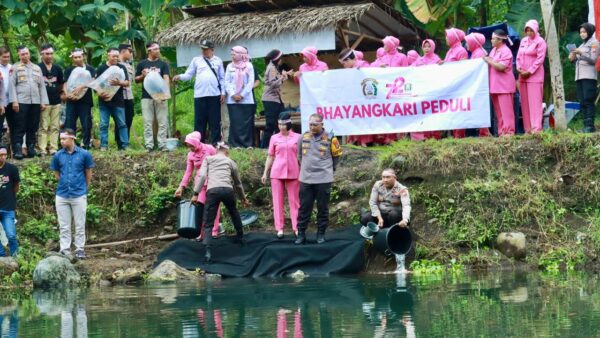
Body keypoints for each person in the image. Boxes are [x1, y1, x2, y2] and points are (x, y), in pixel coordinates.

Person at [192, 142, 249, 263]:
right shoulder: (230, 161)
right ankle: (240, 237)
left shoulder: (208, 159)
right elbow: (238, 183)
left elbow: (202, 176)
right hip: (228, 190)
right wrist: (243, 198)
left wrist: (195, 193)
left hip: (213, 191)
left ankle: (207, 251)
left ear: (216, 150)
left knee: (208, 221)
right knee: (234, 212)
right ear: (227, 151)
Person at [295, 113, 342, 245]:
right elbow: (299, 155)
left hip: (323, 178)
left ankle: (320, 234)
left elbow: (336, 157)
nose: (312, 127)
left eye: (315, 124)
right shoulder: (303, 137)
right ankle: (301, 234)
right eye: (310, 124)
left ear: (322, 124)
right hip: (305, 178)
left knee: (323, 207)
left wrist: (329, 169)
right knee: (304, 207)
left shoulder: (331, 138)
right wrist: (305, 168)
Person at [50, 129, 95, 259]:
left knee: (80, 224)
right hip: (62, 195)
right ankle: (65, 249)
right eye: (60, 139)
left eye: (64, 138)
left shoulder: (84, 154)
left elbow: (88, 173)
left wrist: (83, 188)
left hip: (79, 194)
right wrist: (65, 183)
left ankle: (80, 249)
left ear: (72, 138)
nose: (61, 141)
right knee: (64, 225)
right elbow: (57, 174)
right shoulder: (58, 155)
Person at [173, 39, 225, 144]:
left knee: (214, 121)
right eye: (202, 49)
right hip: (200, 95)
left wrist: (223, 92)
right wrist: (180, 76)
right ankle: (198, 143)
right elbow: (189, 74)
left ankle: (216, 143)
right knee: (199, 121)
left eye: (206, 49)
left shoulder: (218, 61)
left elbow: (222, 78)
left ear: (212, 50)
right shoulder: (196, 60)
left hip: (214, 95)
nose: (204, 51)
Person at [174, 131, 222, 239]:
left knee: (214, 206)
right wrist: (181, 186)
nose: (190, 148)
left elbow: (220, 161)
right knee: (200, 207)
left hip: (213, 181)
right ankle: (201, 232)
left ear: (196, 142)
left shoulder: (209, 149)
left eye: (191, 145)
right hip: (200, 184)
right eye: (188, 146)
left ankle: (214, 231)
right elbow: (188, 172)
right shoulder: (190, 155)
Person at [261, 112, 301, 239]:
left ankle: (297, 227)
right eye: (279, 124)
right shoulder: (274, 138)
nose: (281, 127)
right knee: (277, 201)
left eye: (284, 124)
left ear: (289, 123)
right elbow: (270, 156)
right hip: (277, 172)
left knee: (294, 201)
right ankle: (279, 228)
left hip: (294, 172)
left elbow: (302, 157)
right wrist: (265, 172)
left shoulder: (298, 137)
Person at [9, 46, 49, 159]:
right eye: (22, 54)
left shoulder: (37, 68)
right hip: (21, 101)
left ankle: (31, 148)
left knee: (33, 126)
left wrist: (43, 102)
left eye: (26, 53)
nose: (25, 56)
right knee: (19, 126)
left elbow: (42, 86)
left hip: (35, 102)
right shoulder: (15, 67)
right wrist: (14, 101)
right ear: (19, 55)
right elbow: (12, 85)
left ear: (29, 54)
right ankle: (18, 150)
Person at [135, 41, 171, 151]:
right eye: (155, 49)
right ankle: (149, 145)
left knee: (162, 121)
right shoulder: (142, 64)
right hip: (147, 96)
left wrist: (166, 92)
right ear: (149, 51)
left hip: (161, 96)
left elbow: (166, 78)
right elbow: (136, 80)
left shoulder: (163, 64)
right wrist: (142, 75)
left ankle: (162, 144)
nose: (158, 51)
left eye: (158, 49)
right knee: (147, 122)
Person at [516, 20, 548, 134]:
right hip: (522, 76)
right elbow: (519, 56)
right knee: (524, 103)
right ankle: (527, 129)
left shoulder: (541, 42)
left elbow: (540, 59)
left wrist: (529, 71)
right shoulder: (523, 41)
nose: (529, 32)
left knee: (535, 103)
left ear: (536, 30)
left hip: (534, 76)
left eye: (531, 30)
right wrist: (519, 68)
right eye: (527, 30)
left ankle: (536, 129)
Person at [96, 48, 130, 150]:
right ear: (108, 55)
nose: (115, 58)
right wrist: (100, 94)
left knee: (122, 124)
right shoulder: (101, 68)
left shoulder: (121, 67)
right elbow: (96, 85)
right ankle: (104, 146)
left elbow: (127, 83)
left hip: (118, 101)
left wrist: (119, 83)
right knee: (103, 124)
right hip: (104, 102)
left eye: (117, 56)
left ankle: (125, 145)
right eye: (113, 56)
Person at [484, 29, 516, 136]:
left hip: (504, 86)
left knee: (506, 112)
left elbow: (501, 67)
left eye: (493, 39)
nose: (491, 40)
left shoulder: (506, 51)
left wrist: (489, 60)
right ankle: (502, 132)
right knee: (499, 113)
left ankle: (509, 132)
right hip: (495, 86)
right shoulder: (494, 50)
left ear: (500, 40)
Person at [569, 23, 599, 133]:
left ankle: (590, 126)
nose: (582, 34)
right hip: (579, 76)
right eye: (581, 32)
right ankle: (585, 125)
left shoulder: (595, 43)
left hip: (589, 76)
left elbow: (593, 60)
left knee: (588, 100)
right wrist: (572, 58)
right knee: (582, 101)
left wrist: (580, 53)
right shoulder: (581, 45)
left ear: (589, 31)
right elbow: (578, 61)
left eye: (584, 32)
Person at [64, 48, 95, 149]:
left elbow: (93, 82)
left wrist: (82, 86)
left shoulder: (90, 69)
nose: (77, 59)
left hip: (85, 101)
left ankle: (85, 144)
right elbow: (64, 83)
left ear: (83, 57)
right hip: (71, 101)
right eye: (75, 57)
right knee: (69, 124)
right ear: (72, 58)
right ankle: (70, 145)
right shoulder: (68, 70)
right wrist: (66, 93)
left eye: (79, 57)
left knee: (86, 124)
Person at [224, 46, 255, 148]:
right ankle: (235, 144)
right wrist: (233, 94)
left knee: (246, 123)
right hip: (232, 100)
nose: (232, 56)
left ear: (240, 54)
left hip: (246, 99)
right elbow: (227, 82)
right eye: (232, 54)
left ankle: (247, 144)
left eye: (234, 54)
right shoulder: (230, 66)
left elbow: (251, 83)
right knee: (235, 122)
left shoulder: (249, 66)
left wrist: (242, 95)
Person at [261, 49, 293, 149]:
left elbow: (276, 81)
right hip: (271, 99)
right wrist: (284, 77)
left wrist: (284, 75)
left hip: (276, 99)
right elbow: (273, 84)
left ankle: (275, 145)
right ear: (277, 59)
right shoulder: (272, 68)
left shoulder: (274, 67)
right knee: (271, 124)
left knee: (278, 122)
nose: (281, 60)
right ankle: (265, 147)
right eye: (280, 58)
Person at [412, 39, 442, 141]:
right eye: (425, 46)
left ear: (433, 47)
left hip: (434, 91)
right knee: (423, 112)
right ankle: (423, 136)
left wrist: (443, 66)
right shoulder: (418, 60)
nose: (427, 48)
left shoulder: (437, 59)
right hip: (422, 92)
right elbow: (408, 70)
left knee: (434, 113)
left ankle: (435, 136)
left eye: (429, 46)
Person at [37, 43, 64, 156]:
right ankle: (42, 149)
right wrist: (40, 101)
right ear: (42, 54)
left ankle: (53, 149)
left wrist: (62, 94)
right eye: (47, 53)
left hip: (56, 101)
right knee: (43, 126)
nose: (49, 56)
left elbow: (62, 83)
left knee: (55, 126)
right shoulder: (37, 68)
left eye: (51, 53)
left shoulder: (57, 68)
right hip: (43, 102)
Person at [442, 28, 469, 139]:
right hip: (450, 85)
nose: (446, 39)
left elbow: (462, 68)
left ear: (453, 37)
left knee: (458, 111)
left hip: (458, 85)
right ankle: (454, 134)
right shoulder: (450, 51)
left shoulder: (461, 51)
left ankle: (460, 135)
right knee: (452, 111)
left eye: (448, 36)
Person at [465, 33, 493, 137]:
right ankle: (484, 131)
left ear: (473, 42)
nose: (466, 44)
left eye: (468, 42)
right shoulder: (476, 52)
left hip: (479, 85)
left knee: (480, 107)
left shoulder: (479, 53)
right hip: (478, 85)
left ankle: (485, 132)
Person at [0, 146, 20, 257]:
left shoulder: (12, 169)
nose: (3, 157)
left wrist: (9, 197)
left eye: (4, 155)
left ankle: (15, 258)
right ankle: (1, 256)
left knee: (11, 235)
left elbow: (16, 186)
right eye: (0, 155)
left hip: (8, 208)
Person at [117, 43, 135, 148]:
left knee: (129, 117)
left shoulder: (129, 65)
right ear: (123, 51)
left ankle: (126, 141)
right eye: (130, 51)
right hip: (119, 96)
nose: (132, 54)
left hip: (129, 95)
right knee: (120, 119)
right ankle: (119, 142)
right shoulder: (116, 64)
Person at [0, 47, 10, 148]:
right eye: (4, 57)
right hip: (1, 102)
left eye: (8, 57)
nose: (6, 59)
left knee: (13, 125)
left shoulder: (11, 67)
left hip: (10, 101)